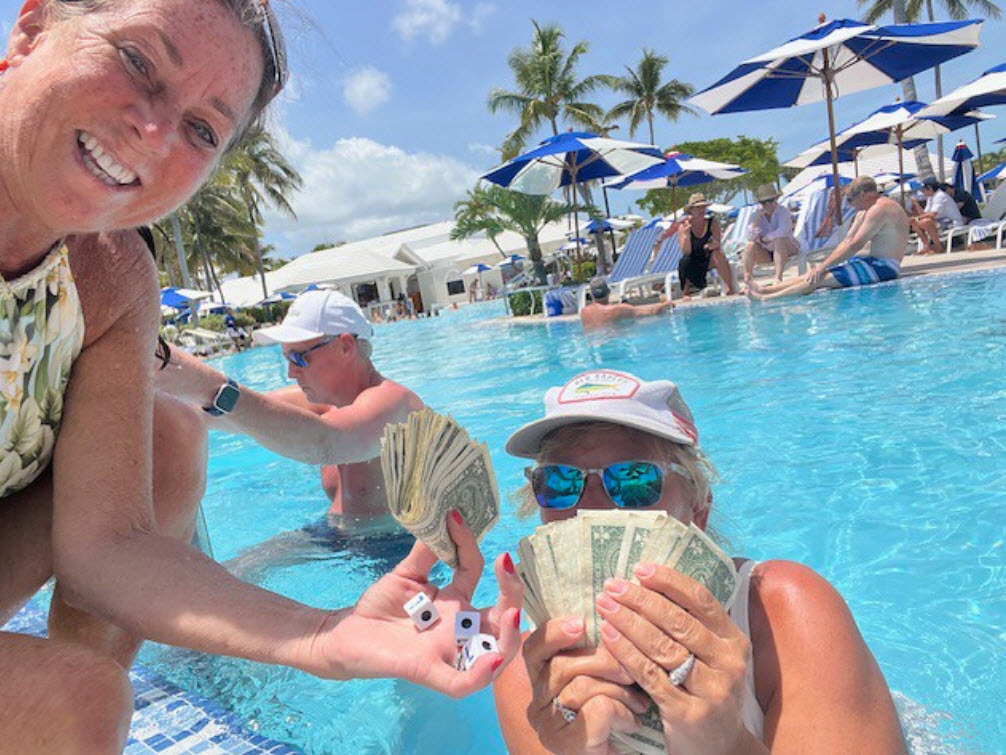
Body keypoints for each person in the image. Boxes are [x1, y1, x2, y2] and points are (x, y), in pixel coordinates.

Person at [0, 2, 519, 750]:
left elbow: (320, 441)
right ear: (31, 28)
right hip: (329, 539)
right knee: (83, 692)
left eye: (202, 130)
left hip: (367, 550)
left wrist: (325, 634)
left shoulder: (114, 277)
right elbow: (289, 425)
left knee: (168, 439)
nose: (155, 131)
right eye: (138, 60)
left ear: (349, 346)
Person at [493, 369, 908, 754]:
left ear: (698, 509)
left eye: (634, 479)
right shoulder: (528, 678)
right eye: (559, 482)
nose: (593, 507)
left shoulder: (785, 615)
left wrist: (729, 744)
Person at [158, 289, 424, 531]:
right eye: (286, 358)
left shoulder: (395, 405)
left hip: (395, 546)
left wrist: (213, 388)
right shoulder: (319, 404)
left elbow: (324, 443)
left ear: (345, 346)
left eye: (299, 358)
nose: (290, 372)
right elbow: (226, 415)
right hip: (333, 534)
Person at [748, 177, 909, 300]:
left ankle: (767, 299)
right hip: (870, 262)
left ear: (862, 195)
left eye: (850, 200)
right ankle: (765, 290)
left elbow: (854, 245)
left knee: (819, 279)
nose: (850, 205)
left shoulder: (879, 209)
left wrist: (821, 267)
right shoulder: (867, 211)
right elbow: (847, 241)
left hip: (884, 267)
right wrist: (821, 267)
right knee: (811, 275)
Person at [663, 193, 738, 298]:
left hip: (708, 258)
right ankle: (686, 293)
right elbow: (686, 251)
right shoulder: (683, 225)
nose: (702, 210)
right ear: (691, 210)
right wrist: (687, 236)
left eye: (703, 207)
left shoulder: (712, 222)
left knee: (718, 254)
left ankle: (729, 287)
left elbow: (717, 243)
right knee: (684, 261)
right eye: (698, 208)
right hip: (692, 260)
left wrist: (711, 245)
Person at [742, 184, 800, 286]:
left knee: (779, 240)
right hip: (767, 252)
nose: (768, 204)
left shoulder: (783, 212)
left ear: (776, 199)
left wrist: (764, 239)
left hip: (787, 249)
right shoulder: (756, 215)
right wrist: (756, 221)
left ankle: (778, 278)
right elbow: (749, 237)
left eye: (770, 200)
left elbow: (783, 231)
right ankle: (747, 281)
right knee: (749, 246)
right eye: (764, 202)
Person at [579, 277, 674, 331]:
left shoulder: (584, 313)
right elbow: (651, 311)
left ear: (591, 295)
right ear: (608, 292)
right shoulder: (617, 310)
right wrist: (664, 304)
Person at [909, 177, 964, 254]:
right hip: (940, 221)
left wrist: (917, 218)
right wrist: (916, 204)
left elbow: (932, 214)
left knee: (926, 222)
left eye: (923, 190)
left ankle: (938, 246)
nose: (923, 192)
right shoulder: (931, 198)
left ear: (930, 188)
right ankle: (926, 246)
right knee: (914, 223)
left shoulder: (941, 196)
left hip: (951, 222)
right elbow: (924, 214)